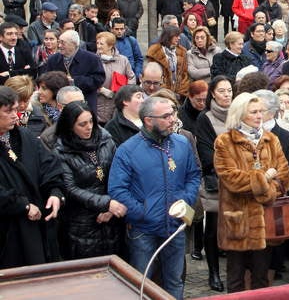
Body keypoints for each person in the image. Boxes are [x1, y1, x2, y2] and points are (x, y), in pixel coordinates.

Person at [108, 96, 201, 299]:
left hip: (175, 226)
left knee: (175, 281)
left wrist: (185, 201)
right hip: (144, 230)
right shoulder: (127, 150)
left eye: (174, 113)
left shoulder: (182, 143)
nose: (173, 119)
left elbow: (193, 175)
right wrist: (143, 213)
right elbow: (117, 190)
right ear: (148, 120)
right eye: (166, 116)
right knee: (141, 284)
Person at [214, 92, 289, 292]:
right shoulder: (224, 141)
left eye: (261, 111)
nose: (259, 116)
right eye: (254, 112)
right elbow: (231, 180)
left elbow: (283, 177)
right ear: (239, 114)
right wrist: (264, 178)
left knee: (261, 279)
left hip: (265, 220)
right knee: (235, 279)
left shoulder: (271, 139)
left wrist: (266, 188)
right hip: (236, 220)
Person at [0, 86, 66, 268]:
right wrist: (23, 206)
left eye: (16, 109)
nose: (15, 115)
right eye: (8, 111)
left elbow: (49, 165)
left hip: (36, 229)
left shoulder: (25, 136)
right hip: (7, 232)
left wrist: (54, 192)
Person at [53, 101, 124, 259]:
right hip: (81, 222)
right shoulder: (61, 151)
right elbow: (70, 188)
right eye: (82, 124)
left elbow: (121, 173)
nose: (89, 127)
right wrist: (105, 203)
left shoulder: (106, 140)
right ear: (70, 126)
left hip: (111, 216)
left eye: (91, 121)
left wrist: (111, 205)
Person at [192, 75, 232, 291]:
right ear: (213, 94)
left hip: (239, 182)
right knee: (213, 228)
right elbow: (207, 155)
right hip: (216, 180)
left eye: (229, 91)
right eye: (222, 91)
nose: (227, 95)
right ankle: (213, 273)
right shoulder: (205, 118)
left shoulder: (238, 114)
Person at [44, 30, 105, 114]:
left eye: (63, 43)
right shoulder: (53, 59)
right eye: (59, 42)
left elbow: (99, 79)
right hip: (60, 106)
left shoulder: (92, 59)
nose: (59, 45)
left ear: (74, 44)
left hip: (86, 104)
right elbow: (47, 79)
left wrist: (75, 81)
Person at [96, 31, 136, 124]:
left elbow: (131, 77)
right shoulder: (93, 60)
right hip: (98, 103)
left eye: (101, 44)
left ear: (110, 46)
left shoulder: (123, 60)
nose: (98, 46)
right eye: (97, 43)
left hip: (117, 104)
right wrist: (101, 90)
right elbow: (89, 80)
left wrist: (123, 93)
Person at [146, 26, 189, 99]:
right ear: (169, 36)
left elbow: (184, 73)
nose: (179, 38)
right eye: (176, 36)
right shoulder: (155, 52)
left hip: (179, 94)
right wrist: (166, 92)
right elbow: (154, 74)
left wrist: (181, 91)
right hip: (161, 93)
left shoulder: (182, 51)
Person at [0, 21, 35, 85]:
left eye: (16, 34)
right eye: (9, 34)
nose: (14, 37)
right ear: (1, 37)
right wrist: (22, 71)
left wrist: (10, 74)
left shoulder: (24, 52)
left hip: (22, 90)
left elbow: (33, 72)